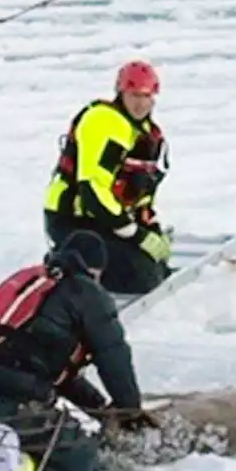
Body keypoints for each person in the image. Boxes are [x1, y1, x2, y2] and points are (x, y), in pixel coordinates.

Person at [0, 230, 147, 471]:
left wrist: (99, 407)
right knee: (82, 462)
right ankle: (14, 468)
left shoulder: (35, 283)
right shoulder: (87, 293)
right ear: (95, 270)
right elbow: (114, 355)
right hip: (8, 396)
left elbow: (48, 367)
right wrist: (130, 412)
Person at [42, 59, 173, 296]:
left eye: (146, 96)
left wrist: (150, 228)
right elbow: (93, 189)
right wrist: (134, 233)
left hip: (107, 220)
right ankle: (64, 262)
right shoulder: (104, 123)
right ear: (120, 93)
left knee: (158, 269)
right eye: (134, 95)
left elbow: (141, 191)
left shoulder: (145, 133)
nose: (140, 103)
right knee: (142, 278)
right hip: (73, 219)